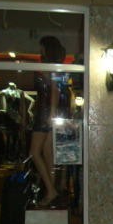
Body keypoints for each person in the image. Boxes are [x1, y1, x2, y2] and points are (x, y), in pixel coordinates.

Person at [31, 36, 70, 206]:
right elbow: (57, 90)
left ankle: (50, 190)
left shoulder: (49, 67)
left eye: (42, 47)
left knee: (35, 152)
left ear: (46, 48)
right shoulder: (57, 67)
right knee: (48, 153)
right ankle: (51, 190)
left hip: (45, 112)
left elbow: (54, 90)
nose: (40, 50)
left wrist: (51, 114)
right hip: (50, 112)